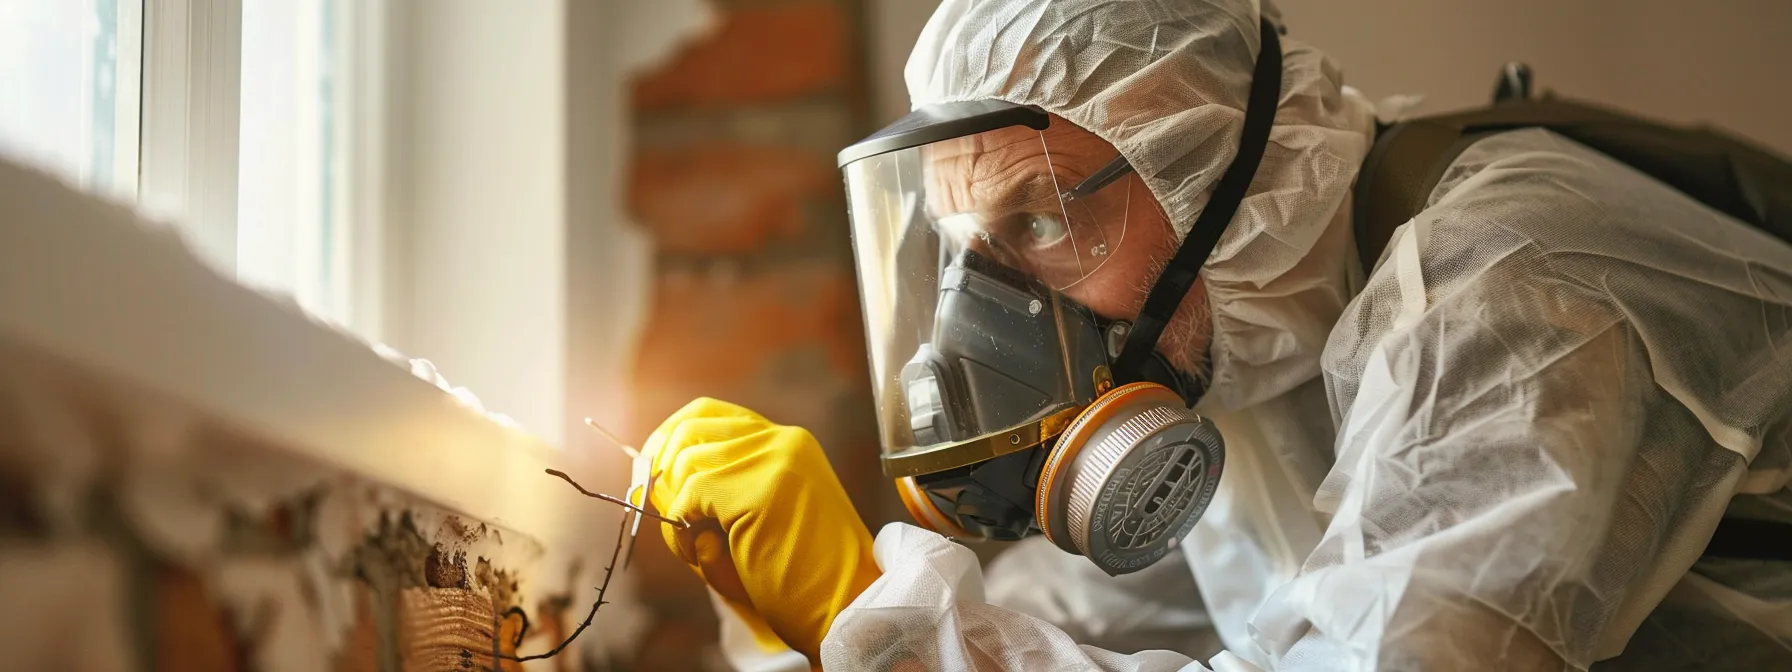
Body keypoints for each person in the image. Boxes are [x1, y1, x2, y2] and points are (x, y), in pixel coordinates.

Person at [636, 0, 1792, 669]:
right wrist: (805, 635)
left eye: (1038, 217)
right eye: (970, 253)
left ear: (1207, 160)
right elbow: (1072, 623)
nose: (985, 315)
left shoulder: (1515, 290)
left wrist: (875, 624)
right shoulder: (1253, 345)